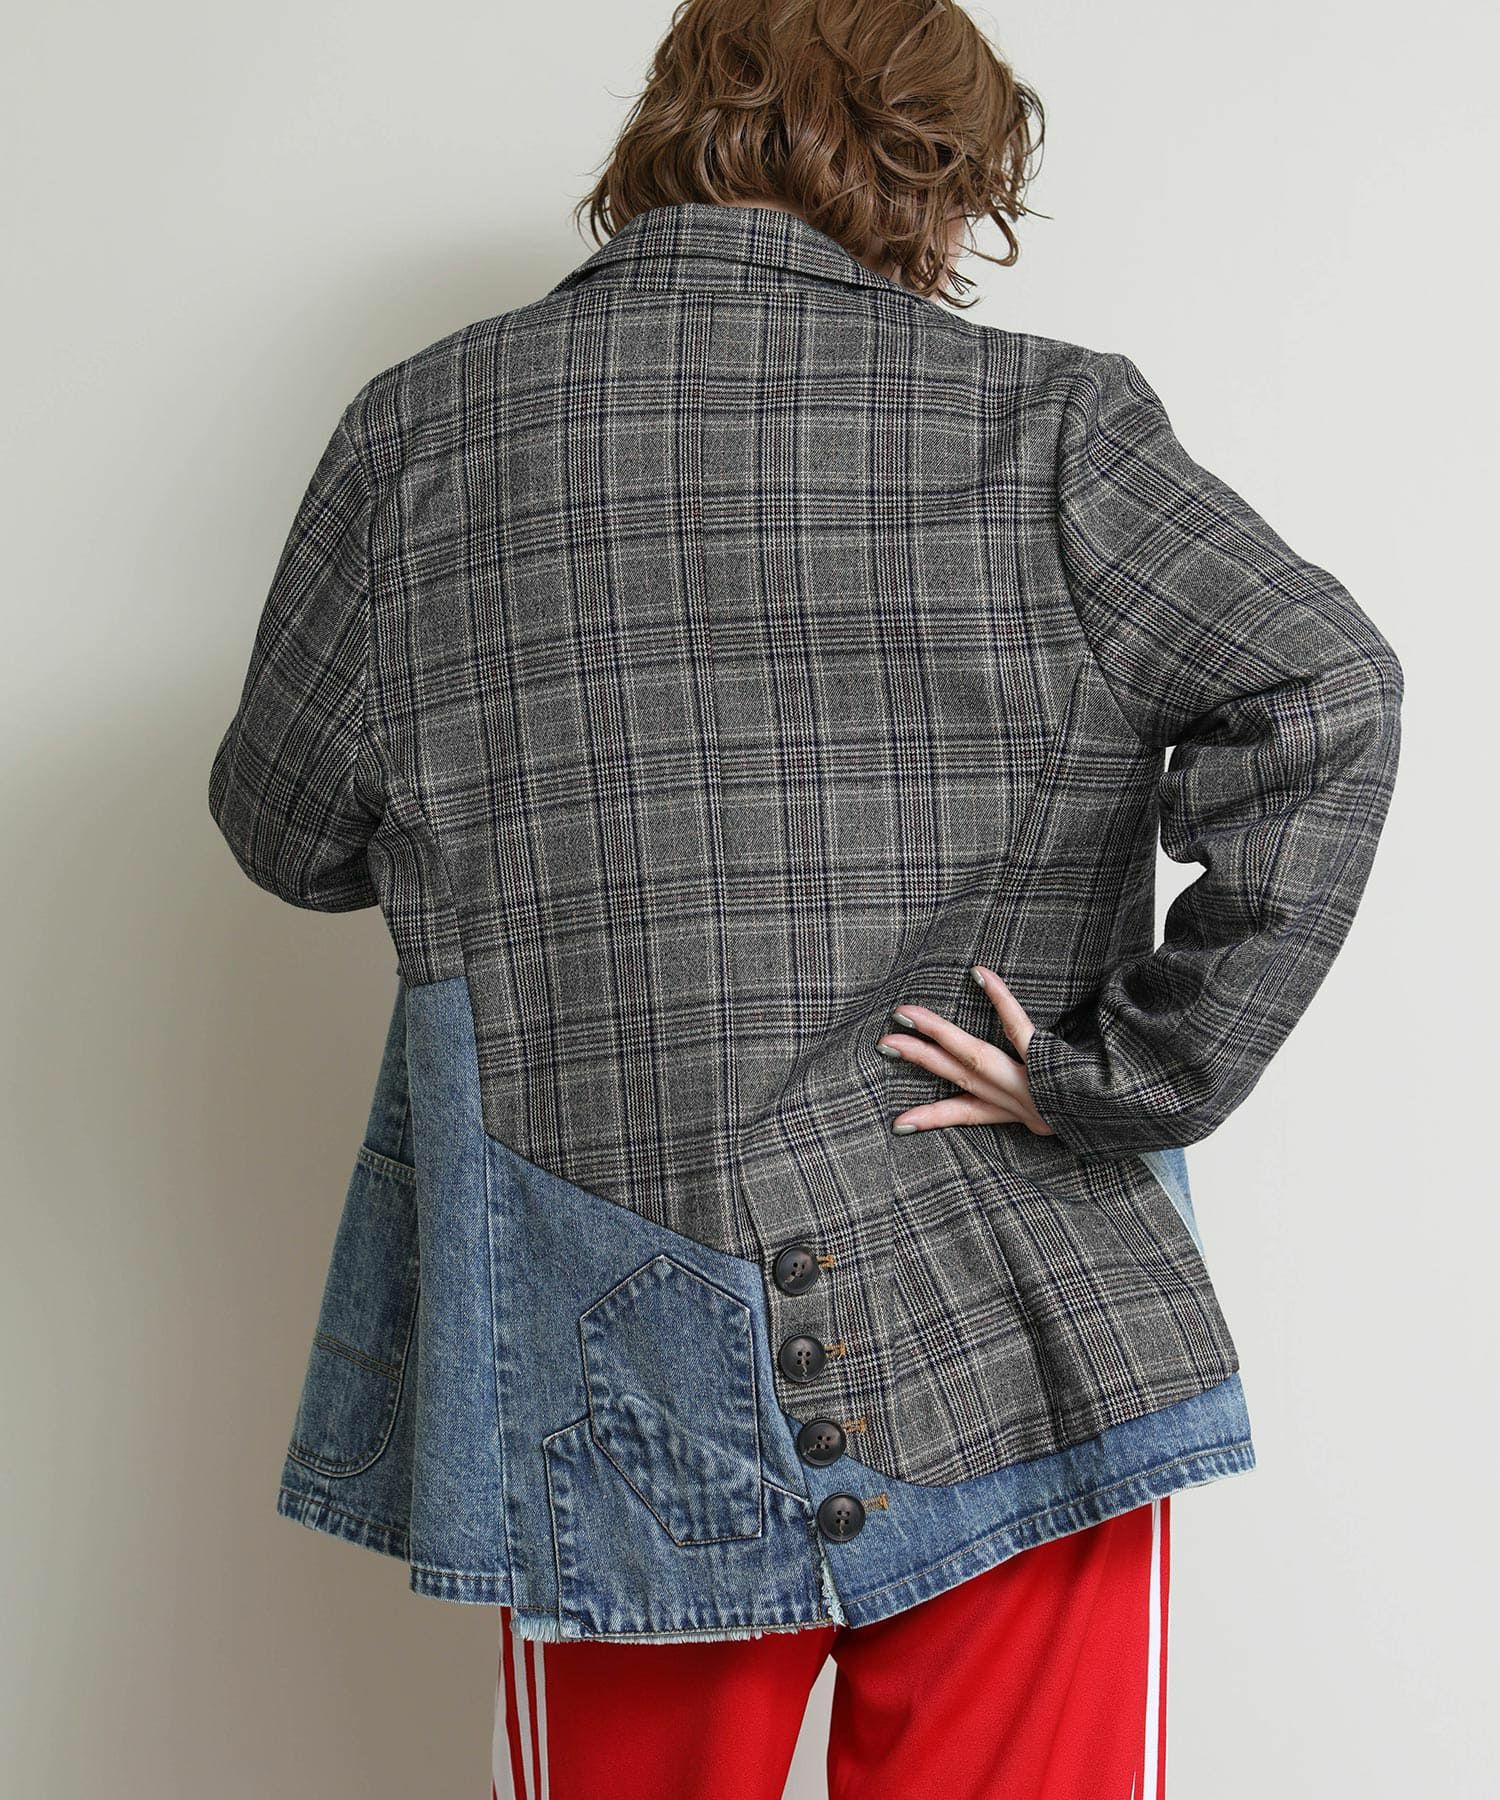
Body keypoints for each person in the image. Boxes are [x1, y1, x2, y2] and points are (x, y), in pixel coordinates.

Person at [206, 2, 1404, 1795]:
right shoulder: (1051, 427)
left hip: (605, 1353)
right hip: (1016, 1314)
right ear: (937, 170)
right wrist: (1129, 1074)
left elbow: (286, 833)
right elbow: (1329, 691)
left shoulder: (416, 441)